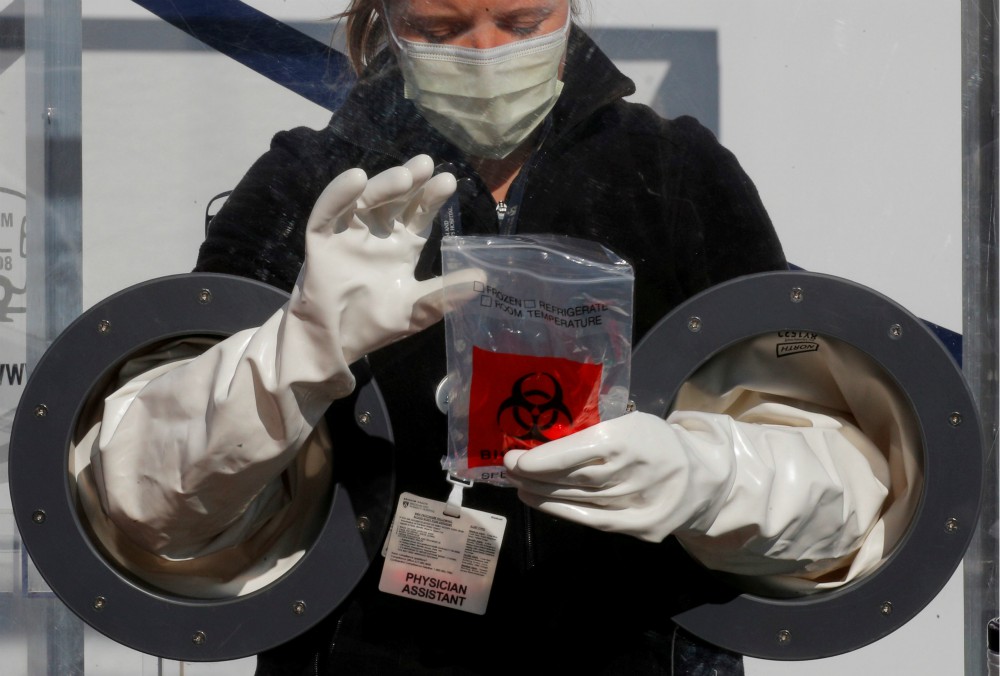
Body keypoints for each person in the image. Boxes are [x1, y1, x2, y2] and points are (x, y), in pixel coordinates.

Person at [78, 0, 905, 673]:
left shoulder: (676, 175)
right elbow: (146, 506)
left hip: (635, 650)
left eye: (519, 22)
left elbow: (840, 472)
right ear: (389, 16)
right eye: (440, 28)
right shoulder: (312, 184)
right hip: (362, 654)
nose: (482, 53)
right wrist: (295, 351)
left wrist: (706, 476)